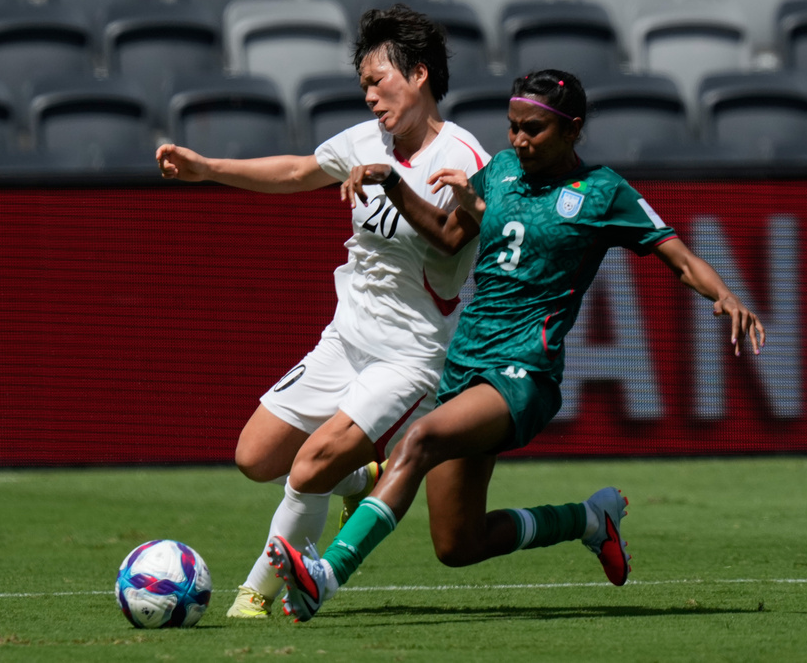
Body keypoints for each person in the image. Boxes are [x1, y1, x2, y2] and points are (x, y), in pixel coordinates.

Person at [266, 68, 766, 622]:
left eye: (533, 130)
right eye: (512, 127)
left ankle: (326, 575)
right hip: (465, 364)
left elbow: (676, 253)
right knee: (459, 544)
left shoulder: (603, 191)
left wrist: (724, 295)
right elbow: (447, 234)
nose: (519, 141)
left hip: (523, 370)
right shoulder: (499, 171)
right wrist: (392, 184)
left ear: (572, 130)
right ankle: (589, 520)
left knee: (419, 440)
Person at [156, 4, 489, 618]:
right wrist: (208, 169)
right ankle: (359, 476)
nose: (368, 96)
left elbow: (451, 237)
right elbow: (296, 171)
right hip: (346, 338)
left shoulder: (465, 157)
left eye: (377, 80)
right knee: (254, 457)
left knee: (307, 467)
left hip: (410, 354)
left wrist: (391, 182)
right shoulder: (364, 141)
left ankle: (257, 592)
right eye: (362, 84)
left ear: (418, 76)